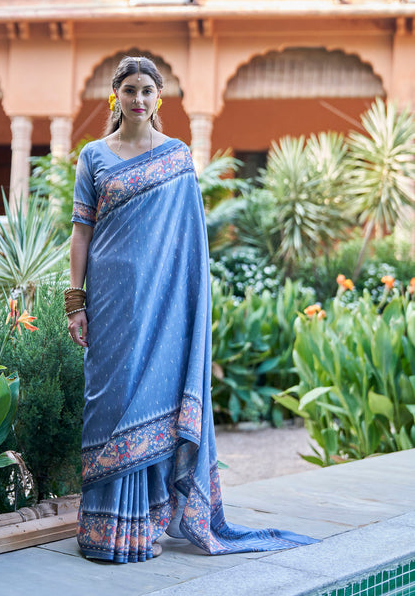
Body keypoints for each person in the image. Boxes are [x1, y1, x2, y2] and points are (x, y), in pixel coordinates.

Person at [65, 55, 317, 563]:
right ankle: (103, 529)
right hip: (111, 304)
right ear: (116, 96)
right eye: (129, 89)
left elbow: (189, 245)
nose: (138, 99)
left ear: (159, 99)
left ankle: (143, 527)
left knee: (153, 402)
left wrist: (185, 311)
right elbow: (80, 233)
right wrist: (76, 300)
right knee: (106, 407)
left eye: (147, 91)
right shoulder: (93, 156)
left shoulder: (177, 157)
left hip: (162, 309)